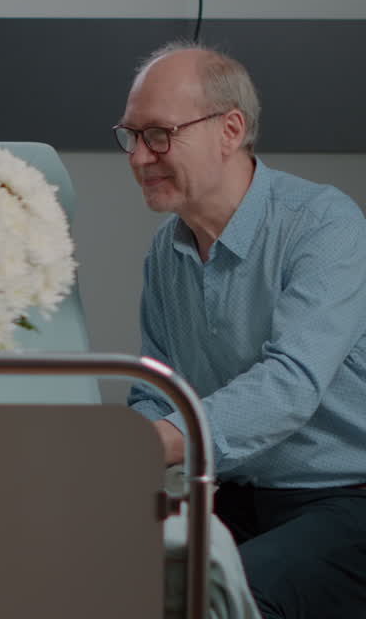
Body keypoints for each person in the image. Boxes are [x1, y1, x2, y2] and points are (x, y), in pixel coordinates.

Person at [117, 42, 366, 618]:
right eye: (129, 136)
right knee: (101, 578)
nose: (137, 157)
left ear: (229, 129)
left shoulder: (324, 225)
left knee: (201, 602)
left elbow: (289, 385)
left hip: (345, 501)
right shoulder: (168, 251)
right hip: (233, 495)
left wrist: (160, 441)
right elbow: (155, 389)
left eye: (157, 134)